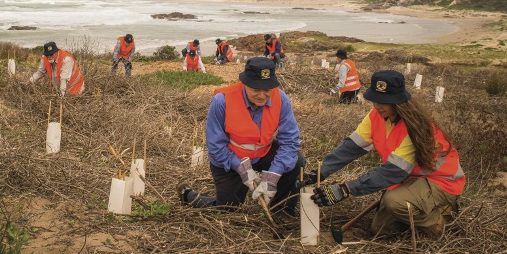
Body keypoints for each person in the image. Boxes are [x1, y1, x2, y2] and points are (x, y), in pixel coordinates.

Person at [306, 70, 464, 238]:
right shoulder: (376, 116)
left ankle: (438, 219)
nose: (377, 105)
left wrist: (345, 190)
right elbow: (350, 148)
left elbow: (393, 171)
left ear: (399, 101)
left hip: (441, 180)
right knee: (381, 230)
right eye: (375, 99)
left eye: (384, 101)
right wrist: (320, 172)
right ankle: (415, 208)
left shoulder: (414, 127)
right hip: (409, 180)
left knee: (394, 202)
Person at [177, 57, 306, 223]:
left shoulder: (281, 99)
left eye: (267, 89)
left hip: (263, 152)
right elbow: (215, 146)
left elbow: (290, 141)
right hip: (230, 158)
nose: (262, 95)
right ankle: (188, 195)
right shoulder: (222, 101)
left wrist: (274, 173)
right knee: (227, 211)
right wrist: (241, 168)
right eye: (255, 89)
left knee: (296, 161)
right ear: (244, 83)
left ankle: (282, 211)